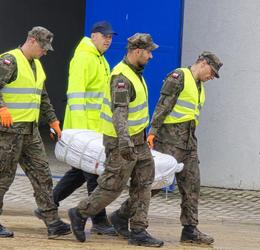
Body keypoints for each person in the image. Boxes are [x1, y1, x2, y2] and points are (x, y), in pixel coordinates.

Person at [68, 33, 164, 247]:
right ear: (137, 51)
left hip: (137, 139)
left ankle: (138, 230)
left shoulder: (135, 72)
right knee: (113, 185)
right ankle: (80, 212)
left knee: (144, 182)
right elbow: (118, 114)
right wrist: (124, 143)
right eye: (148, 52)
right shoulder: (121, 77)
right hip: (122, 141)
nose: (151, 56)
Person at [34, 21, 116, 236]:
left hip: (95, 128)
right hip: (84, 130)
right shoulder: (84, 57)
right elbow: (76, 95)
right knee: (94, 175)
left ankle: (47, 205)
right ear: (94, 36)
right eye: (104, 36)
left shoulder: (100, 59)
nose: (108, 40)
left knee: (80, 173)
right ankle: (98, 220)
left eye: (110, 37)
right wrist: (81, 134)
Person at [0, 26, 71, 238]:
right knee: (3, 178)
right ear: (31, 41)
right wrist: (1, 107)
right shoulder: (9, 61)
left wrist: (53, 120)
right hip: (8, 132)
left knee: (43, 175)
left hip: (30, 132)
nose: (45, 52)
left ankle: (52, 222)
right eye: (43, 47)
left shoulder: (37, 66)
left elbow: (42, 96)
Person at [147, 51, 223, 245]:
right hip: (169, 141)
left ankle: (190, 230)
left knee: (192, 185)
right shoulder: (179, 77)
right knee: (156, 183)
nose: (211, 77)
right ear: (203, 63)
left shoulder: (199, 87)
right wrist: (152, 133)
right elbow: (162, 106)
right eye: (212, 72)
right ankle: (124, 215)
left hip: (188, 143)